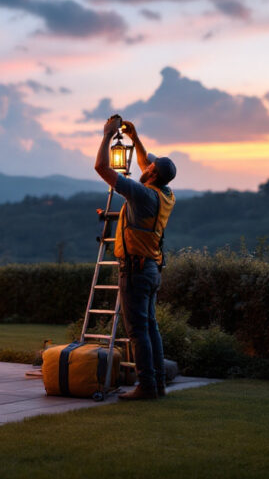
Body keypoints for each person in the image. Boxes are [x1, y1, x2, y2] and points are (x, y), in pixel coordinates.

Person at [94, 116, 176, 400]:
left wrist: (107, 136)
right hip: (151, 268)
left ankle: (146, 387)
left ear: (151, 175)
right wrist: (135, 137)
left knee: (138, 332)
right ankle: (157, 385)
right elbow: (144, 164)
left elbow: (101, 167)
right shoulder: (166, 194)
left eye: (149, 166)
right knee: (150, 328)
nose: (145, 164)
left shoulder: (141, 195)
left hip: (136, 270)